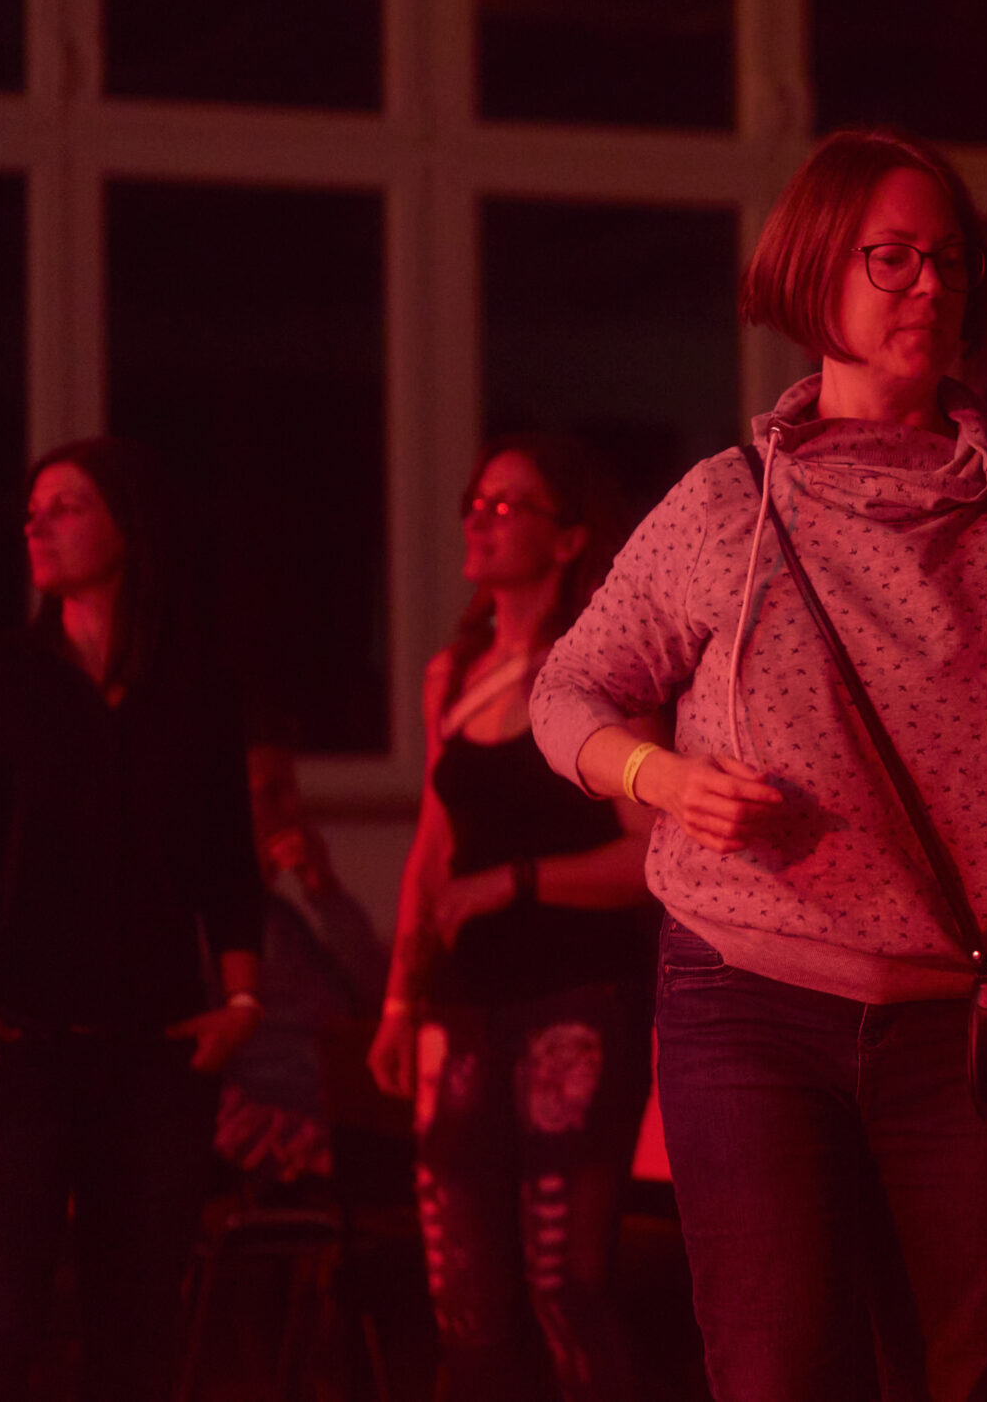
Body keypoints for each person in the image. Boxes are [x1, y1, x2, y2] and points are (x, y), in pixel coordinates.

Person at [528, 125, 987, 1402]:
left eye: (948, 260)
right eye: (891, 258)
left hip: (965, 1012)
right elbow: (567, 693)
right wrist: (660, 779)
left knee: (977, 1377)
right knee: (781, 1371)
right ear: (815, 274)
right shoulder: (727, 501)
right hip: (749, 995)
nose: (927, 286)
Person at [0, 438, 265, 1401]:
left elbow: (227, 858)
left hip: (152, 1048)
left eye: (66, 505)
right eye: (33, 509)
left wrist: (241, 1002)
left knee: (138, 1320)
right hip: (11, 1041)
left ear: (127, 526)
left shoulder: (193, 684)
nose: (39, 523)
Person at [364, 434, 653, 1402]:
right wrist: (399, 1001)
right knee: (466, 1299)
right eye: (474, 503)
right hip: (464, 1005)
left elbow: (651, 854)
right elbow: (432, 845)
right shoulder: (453, 674)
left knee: (564, 1286)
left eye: (506, 506)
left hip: (577, 996)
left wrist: (516, 883)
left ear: (567, 538)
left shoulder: (603, 671)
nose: (479, 521)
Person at [215, 741, 388, 1184]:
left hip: (343, 1125)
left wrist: (324, 892)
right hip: (287, 1152)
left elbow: (374, 998)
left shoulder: (284, 918)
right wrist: (306, 1149)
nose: (293, 811)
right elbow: (200, 1092)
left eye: (293, 793)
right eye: (272, 794)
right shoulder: (207, 930)